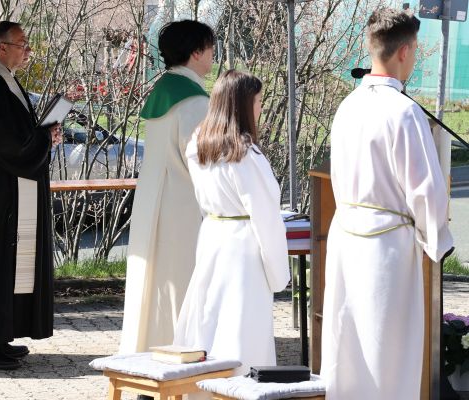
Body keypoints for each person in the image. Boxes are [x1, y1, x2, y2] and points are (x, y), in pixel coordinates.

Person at [320, 8, 453, 399]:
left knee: (349, 350)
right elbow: (425, 191)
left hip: (346, 238)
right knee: (388, 355)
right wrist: (436, 240)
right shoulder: (404, 112)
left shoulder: (347, 107)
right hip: (387, 248)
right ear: (405, 51)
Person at [173, 70, 290, 382]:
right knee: (241, 330)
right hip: (243, 250)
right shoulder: (245, 155)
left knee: (208, 324)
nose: (261, 108)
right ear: (243, 105)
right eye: (258, 101)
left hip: (212, 238)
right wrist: (279, 272)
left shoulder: (199, 146)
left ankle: (202, 389)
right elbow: (266, 216)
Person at [0, 21, 62, 370]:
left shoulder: (5, 79)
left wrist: (45, 135)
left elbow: (18, 134)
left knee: (7, 266)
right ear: (1, 47)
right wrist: (42, 138)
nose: (27, 50)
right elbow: (6, 143)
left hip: (8, 189)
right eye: (22, 44)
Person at [120, 20, 215, 354]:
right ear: (196, 52)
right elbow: (202, 159)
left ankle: (146, 354)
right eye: (210, 48)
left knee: (151, 283)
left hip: (152, 200)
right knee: (179, 284)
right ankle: (179, 358)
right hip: (181, 204)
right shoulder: (194, 100)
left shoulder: (165, 89)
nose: (213, 55)